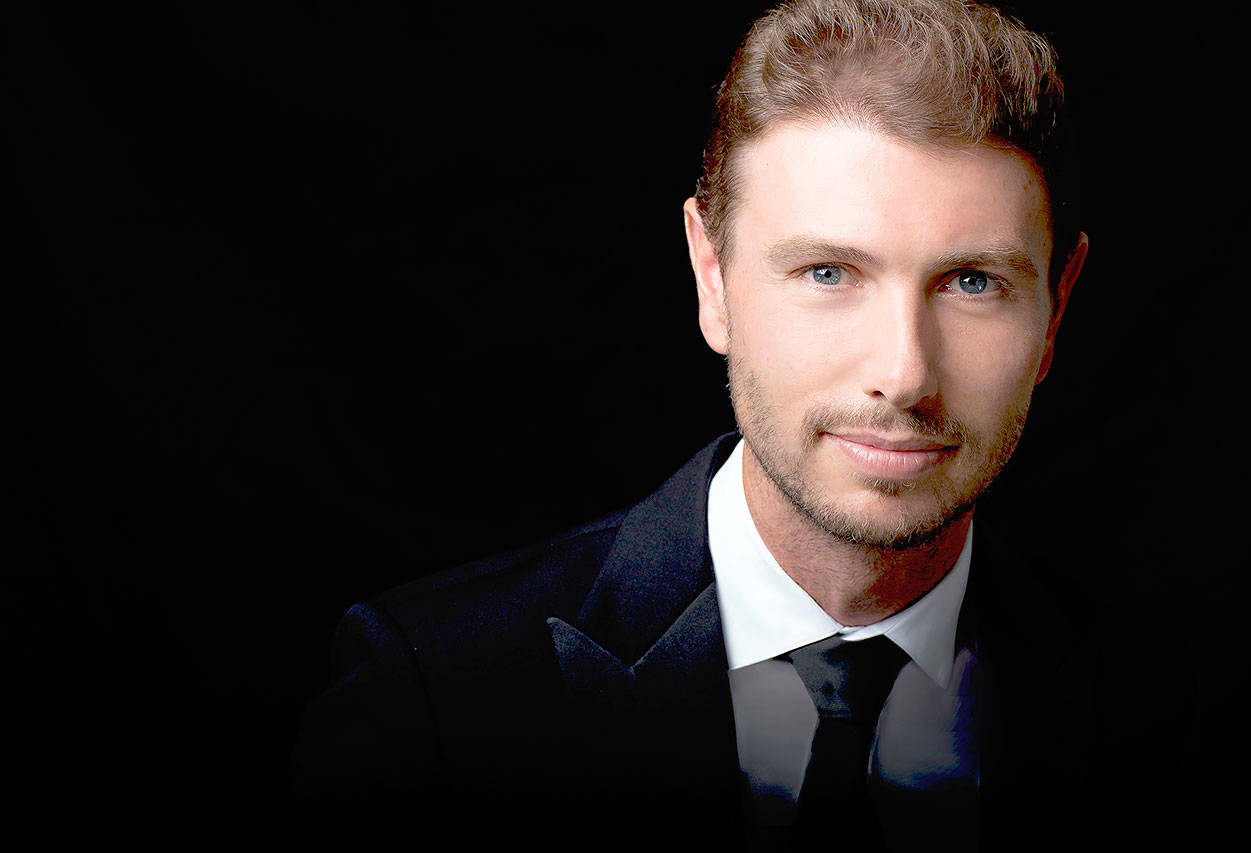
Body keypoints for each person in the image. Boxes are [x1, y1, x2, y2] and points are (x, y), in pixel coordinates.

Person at [293, 1, 1098, 847]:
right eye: (828, 272)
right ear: (712, 278)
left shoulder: (1169, 702)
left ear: (1056, 310)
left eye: (973, 283)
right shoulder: (434, 697)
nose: (904, 374)